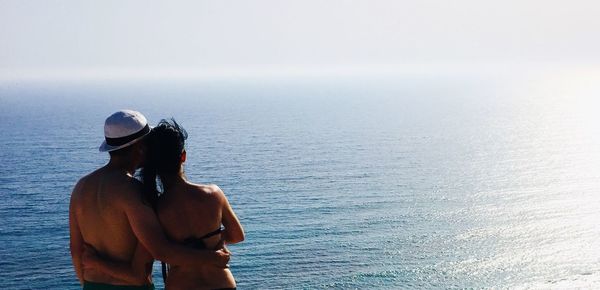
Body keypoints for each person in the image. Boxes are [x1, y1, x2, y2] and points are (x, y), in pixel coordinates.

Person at [69, 110, 230, 290]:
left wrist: (91, 276)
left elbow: (76, 252)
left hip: (91, 285)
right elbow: (140, 274)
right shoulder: (135, 193)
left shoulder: (81, 187)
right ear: (141, 147)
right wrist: (212, 257)